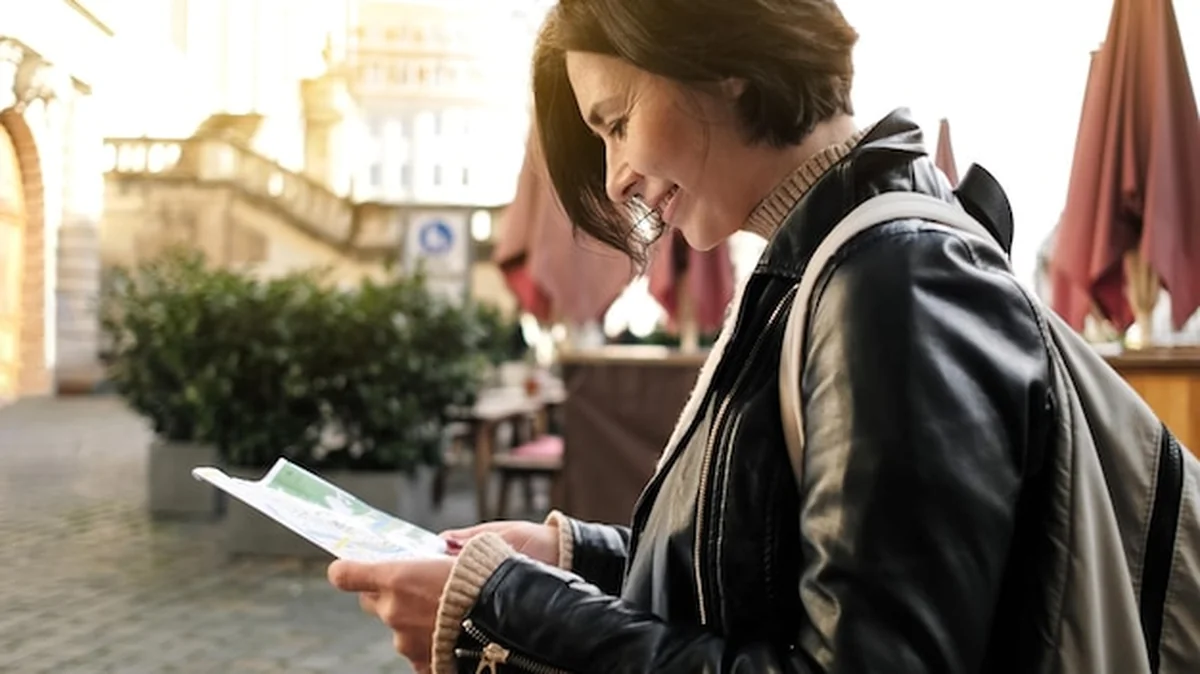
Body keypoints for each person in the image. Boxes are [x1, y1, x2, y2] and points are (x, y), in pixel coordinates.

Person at [328, 1, 1058, 672]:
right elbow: (766, 575)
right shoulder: (825, 268)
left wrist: (503, 612)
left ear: (722, 58)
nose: (615, 180)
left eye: (616, 122)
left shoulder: (891, 280)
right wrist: (571, 560)